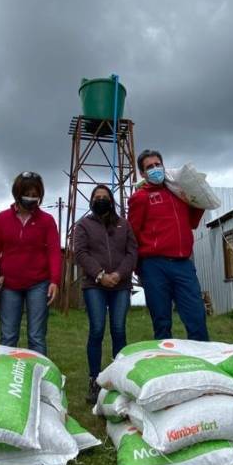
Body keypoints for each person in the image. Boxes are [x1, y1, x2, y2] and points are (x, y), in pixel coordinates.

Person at [128, 149, 209, 341]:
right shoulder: (140, 197)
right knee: (162, 321)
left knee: (196, 316)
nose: (155, 169)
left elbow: (192, 223)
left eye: (158, 164)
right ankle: (165, 364)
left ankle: (204, 363)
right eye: (149, 167)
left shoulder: (178, 192)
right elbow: (132, 234)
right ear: (142, 174)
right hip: (154, 266)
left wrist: (200, 199)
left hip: (183, 264)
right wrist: (139, 268)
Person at [0, 172, 61, 356]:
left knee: (36, 336)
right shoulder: (2, 219)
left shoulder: (47, 221)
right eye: (28, 194)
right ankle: (6, 379)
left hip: (39, 284)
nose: (32, 198)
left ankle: (41, 378)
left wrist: (54, 280)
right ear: (17, 194)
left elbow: (54, 252)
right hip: (9, 285)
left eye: (35, 195)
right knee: (8, 336)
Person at [73, 185, 138, 404]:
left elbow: (132, 252)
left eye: (104, 197)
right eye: (97, 197)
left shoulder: (124, 224)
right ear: (91, 201)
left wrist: (119, 274)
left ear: (111, 201)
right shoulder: (83, 225)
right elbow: (80, 253)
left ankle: (119, 378)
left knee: (119, 329)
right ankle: (94, 379)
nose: (101, 200)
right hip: (94, 285)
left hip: (120, 284)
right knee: (97, 329)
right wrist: (100, 275)